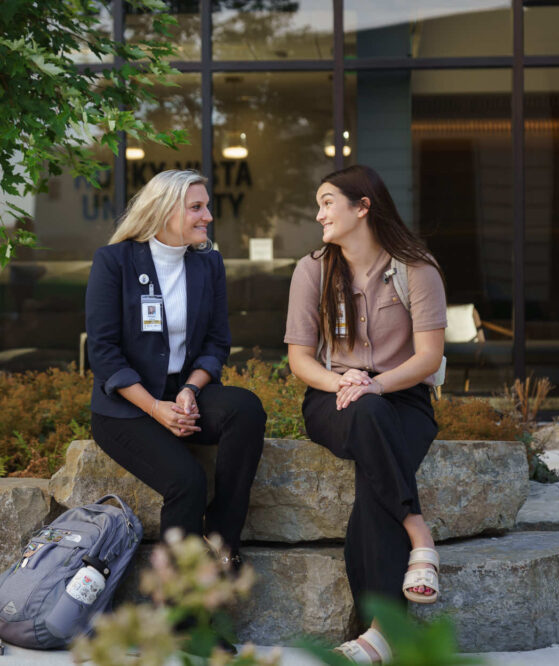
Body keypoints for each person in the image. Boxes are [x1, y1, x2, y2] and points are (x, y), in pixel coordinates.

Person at [284, 165, 447, 664]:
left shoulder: (416, 268)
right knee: (367, 415)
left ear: (363, 206)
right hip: (331, 398)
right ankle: (418, 532)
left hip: (402, 397)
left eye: (328, 202)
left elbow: (428, 357)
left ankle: (378, 634)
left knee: (370, 485)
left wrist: (374, 383)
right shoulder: (312, 269)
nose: (319, 214)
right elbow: (299, 360)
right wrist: (345, 382)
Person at [85, 169, 266, 571]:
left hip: (182, 392)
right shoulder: (114, 261)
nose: (208, 216)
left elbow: (217, 344)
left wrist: (189, 390)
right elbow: (104, 353)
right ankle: (181, 620)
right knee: (187, 483)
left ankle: (220, 540)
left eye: (207, 207)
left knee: (245, 409)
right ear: (165, 210)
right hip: (126, 407)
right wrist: (155, 408)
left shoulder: (208, 264)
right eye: (196, 207)